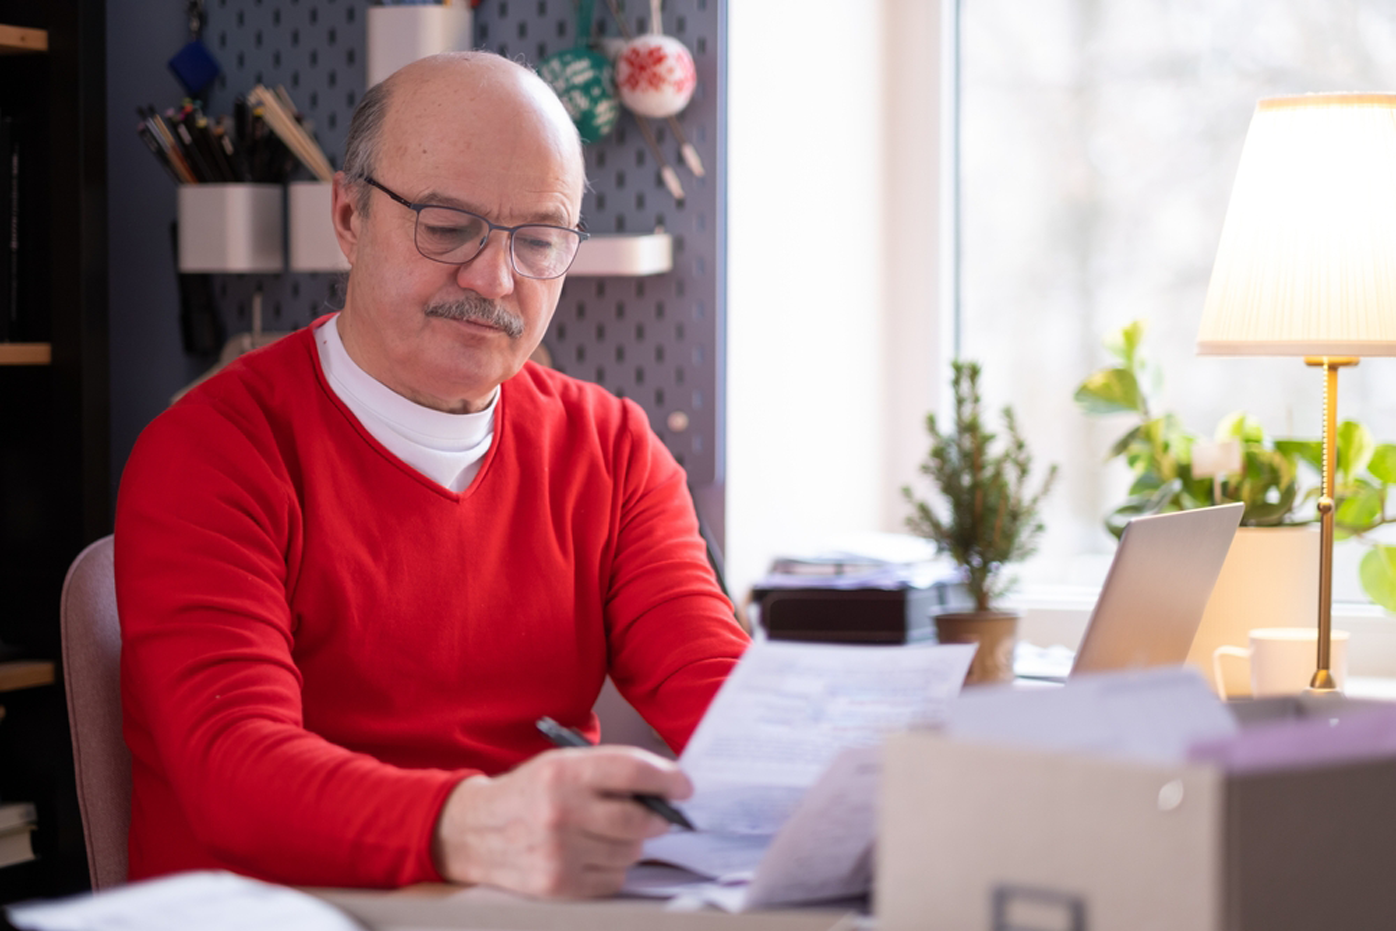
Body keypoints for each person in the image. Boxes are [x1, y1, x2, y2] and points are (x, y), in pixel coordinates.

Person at [114, 51, 749, 898]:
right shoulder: (212, 452)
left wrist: (874, 779)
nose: (494, 278)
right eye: (446, 227)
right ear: (347, 216)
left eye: (539, 240)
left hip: (517, 910)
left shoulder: (613, 451)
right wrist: (477, 825)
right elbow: (235, 769)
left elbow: (722, 694)